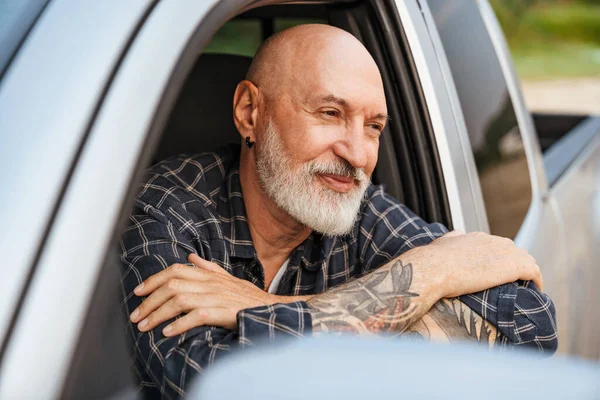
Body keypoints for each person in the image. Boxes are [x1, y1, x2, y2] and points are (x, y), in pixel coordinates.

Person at [121, 24, 557, 398]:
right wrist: (423, 278)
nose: (357, 154)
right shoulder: (165, 207)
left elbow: (530, 324)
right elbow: (206, 381)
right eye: (330, 113)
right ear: (250, 112)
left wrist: (260, 308)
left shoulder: (354, 206)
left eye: (373, 127)